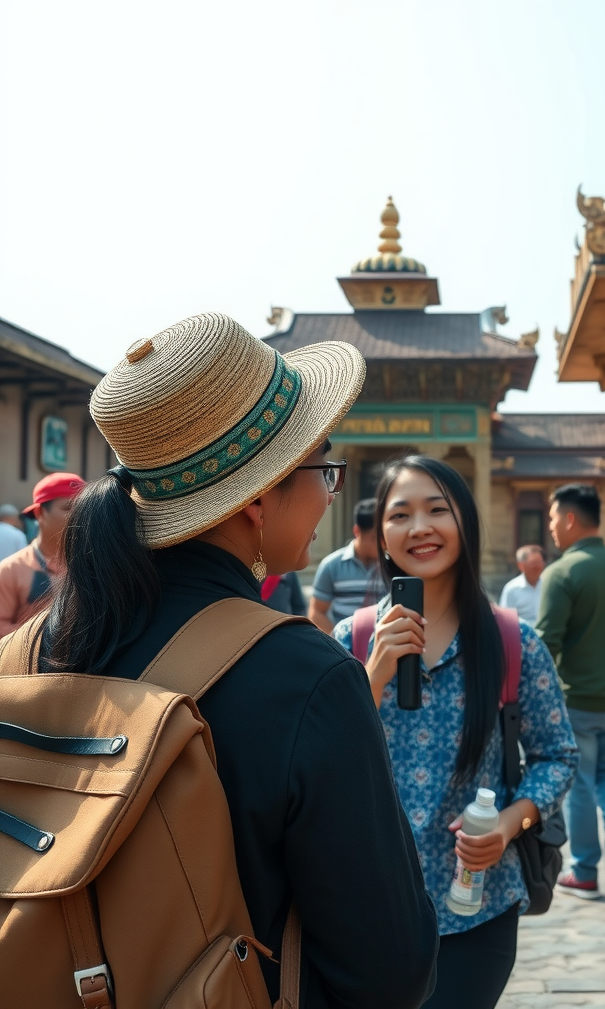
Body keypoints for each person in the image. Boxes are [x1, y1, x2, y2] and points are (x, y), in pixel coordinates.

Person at [34, 313, 436, 1008]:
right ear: (256, 497)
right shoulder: (308, 679)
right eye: (324, 467)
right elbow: (389, 970)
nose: (328, 494)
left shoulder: (35, 646)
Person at [334, 455, 577, 1009]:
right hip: (368, 907)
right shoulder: (352, 640)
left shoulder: (514, 642)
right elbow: (319, 764)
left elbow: (557, 755)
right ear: (382, 536)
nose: (419, 527)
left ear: (465, 523)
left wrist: (512, 824)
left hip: (478, 907)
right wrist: (373, 677)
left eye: (437, 510)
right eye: (401, 515)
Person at [535, 483, 605, 899]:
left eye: (551, 519)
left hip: (576, 699)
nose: (550, 529)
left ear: (568, 518)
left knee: (579, 783)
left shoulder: (562, 573)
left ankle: (584, 869)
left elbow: (546, 643)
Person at [0, 472, 84, 636]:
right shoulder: (11, 570)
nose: (78, 516)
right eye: (67, 508)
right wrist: (46, 638)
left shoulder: (93, 564)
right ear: (40, 513)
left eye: (82, 508)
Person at [309, 497, 386, 633]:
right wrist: (339, 644)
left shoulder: (391, 565)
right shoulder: (332, 565)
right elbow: (317, 612)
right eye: (375, 538)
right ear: (357, 532)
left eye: (384, 537)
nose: (382, 544)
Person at [498, 543, 545, 625]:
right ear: (521, 566)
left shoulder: (548, 585)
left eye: (540, 562)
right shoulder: (512, 589)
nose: (538, 567)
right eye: (534, 563)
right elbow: (505, 620)